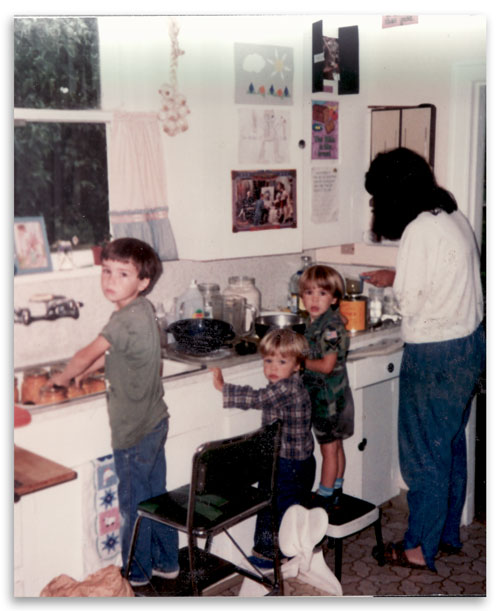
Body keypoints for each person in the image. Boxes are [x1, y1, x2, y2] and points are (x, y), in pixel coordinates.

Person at [362, 147, 485, 573]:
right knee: (448, 445)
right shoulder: (454, 218)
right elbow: (447, 276)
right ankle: (445, 534)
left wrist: (398, 287)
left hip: (434, 354)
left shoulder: (418, 230)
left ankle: (417, 549)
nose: (378, 204)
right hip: (468, 346)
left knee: (423, 456)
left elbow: (412, 300)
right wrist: (400, 275)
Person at [47, 237, 179, 586]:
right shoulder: (142, 310)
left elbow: (86, 354)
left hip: (134, 432)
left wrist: (59, 379)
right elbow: (125, 358)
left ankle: (135, 575)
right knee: (156, 498)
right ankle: (167, 562)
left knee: (133, 505)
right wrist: (90, 373)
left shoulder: (121, 321)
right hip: (155, 421)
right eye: (106, 271)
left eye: (122, 274)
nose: (110, 280)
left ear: (143, 282)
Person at [211, 328, 315, 567]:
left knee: (275, 506)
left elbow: (258, 398)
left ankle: (269, 554)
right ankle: (291, 550)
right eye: (268, 360)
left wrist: (223, 387)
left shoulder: (286, 388)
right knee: (289, 507)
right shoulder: (292, 384)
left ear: (297, 365)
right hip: (299, 461)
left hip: (288, 464)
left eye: (281, 361)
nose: (272, 368)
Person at [299, 265, 354, 510]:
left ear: (333, 298)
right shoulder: (326, 320)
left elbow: (327, 365)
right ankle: (336, 488)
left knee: (328, 449)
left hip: (326, 399)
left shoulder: (329, 327)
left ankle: (323, 497)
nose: (314, 299)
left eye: (322, 294)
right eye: (309, 293)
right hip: (336, 396)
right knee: (336, 445)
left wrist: (299, 363)